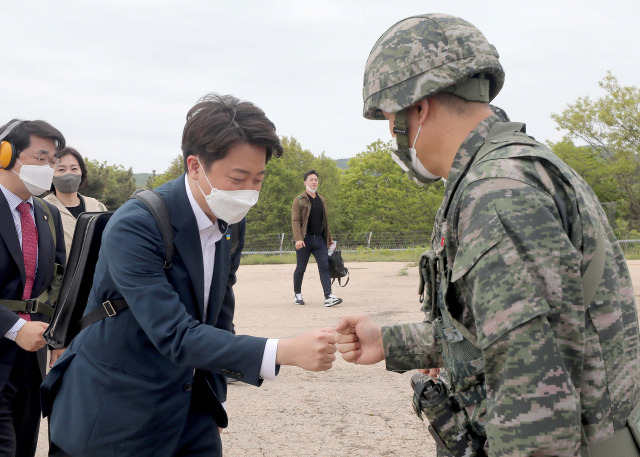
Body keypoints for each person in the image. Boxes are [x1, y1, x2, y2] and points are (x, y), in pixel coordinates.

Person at [335, 13, 640, 457]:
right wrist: (390, 342)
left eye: (388, 118)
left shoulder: (497, 194)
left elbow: (537, 404)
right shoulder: (504, 171)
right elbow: (492, 330)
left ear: (416, 108)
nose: (391, 135)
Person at [41, 94, 337, 457]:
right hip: (114, 411)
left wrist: (212, 400)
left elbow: (219, 316)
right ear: (195, 165)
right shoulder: (137, 225)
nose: (249, 191)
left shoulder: (229, 222)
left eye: (258, 178)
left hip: (190, 412)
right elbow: (175, 334)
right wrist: (284, 351)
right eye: (238, 177)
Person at [0, 119, 66, 457]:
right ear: (6, 153)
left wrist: (58, 335)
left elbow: (58, 281)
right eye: (40, 158)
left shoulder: (46, 214)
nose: (49, 168)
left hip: (32, 359)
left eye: (53, 160)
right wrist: (13, 328)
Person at [44, 147, 107, 260]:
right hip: (62, 277)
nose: (69, 175)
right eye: (61, 169)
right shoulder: (42, 209)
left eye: (74, 169)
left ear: (81, 172)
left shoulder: (97, 206)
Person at [291, 170, 342, 307]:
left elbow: (325, 221)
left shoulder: (322, 199)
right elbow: (295, 220)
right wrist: (298, 239)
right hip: (304, 240)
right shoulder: (299, 200)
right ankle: (297, 294)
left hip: (319, 239)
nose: (314, 182)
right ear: (305, 182)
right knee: (301, 268)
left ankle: (328, 296)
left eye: (316, 180)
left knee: (325, 266)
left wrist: (329, 239)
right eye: (311, 179)